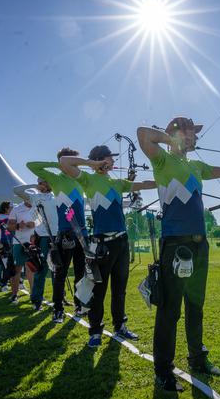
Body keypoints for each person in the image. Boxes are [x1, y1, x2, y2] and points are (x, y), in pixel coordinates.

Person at [137, 117, 220, 392]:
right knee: (170, 311)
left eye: (195, 133)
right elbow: (142, 134)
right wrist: (172, 139)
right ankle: (163, 372)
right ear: (175, 133)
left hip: (199, 245)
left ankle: (196, 358)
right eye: (189, 132)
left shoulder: (195, 166)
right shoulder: (161, 161)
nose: (194, 137)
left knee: (195, 306)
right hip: (175, 245)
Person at [59, 144, 156, 348]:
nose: (113, 161)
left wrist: (161, 180)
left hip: (121, 242)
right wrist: (92, 164)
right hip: (102, 244)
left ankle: (120, 325)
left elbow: (145, 184)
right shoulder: (88, 180)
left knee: (119, 289)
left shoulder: (118, 182)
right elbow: (64, 162)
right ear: (101, 160)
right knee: (98, 291)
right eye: (110, 158)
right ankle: (95, 331)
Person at [27, 148, 87, 323]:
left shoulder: (80, 179)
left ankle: (79, 306)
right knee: (60, 275)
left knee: (81, 274)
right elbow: (31, 165)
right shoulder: (56, 179)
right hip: (65, 234)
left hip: (82, 234)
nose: (75, 163)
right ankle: (58, 310)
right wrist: (58, 164)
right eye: (71, 161)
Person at [14, 178, 60, 311]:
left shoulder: (57, 195)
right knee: (41, 269)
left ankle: (59, 299)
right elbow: (16, 190)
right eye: (40, 182)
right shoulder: (35, 197)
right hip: (43, 237)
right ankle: (37, 300)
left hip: (58, 235)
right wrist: (36, 186)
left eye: (45, 181)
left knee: (58, 269)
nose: (43, 184)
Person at [7, 198, 37, 305]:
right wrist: (19, 226)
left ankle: (34, 296)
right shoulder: (16, 209)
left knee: (32, 269)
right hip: (18, 242)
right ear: (24, 197)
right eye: (27, 197)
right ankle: (14, 295)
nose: (30, 199)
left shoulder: (37, 206)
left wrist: (34, 224)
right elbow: (9, 226)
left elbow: (41, 222)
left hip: (33, 242)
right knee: (16, 269)